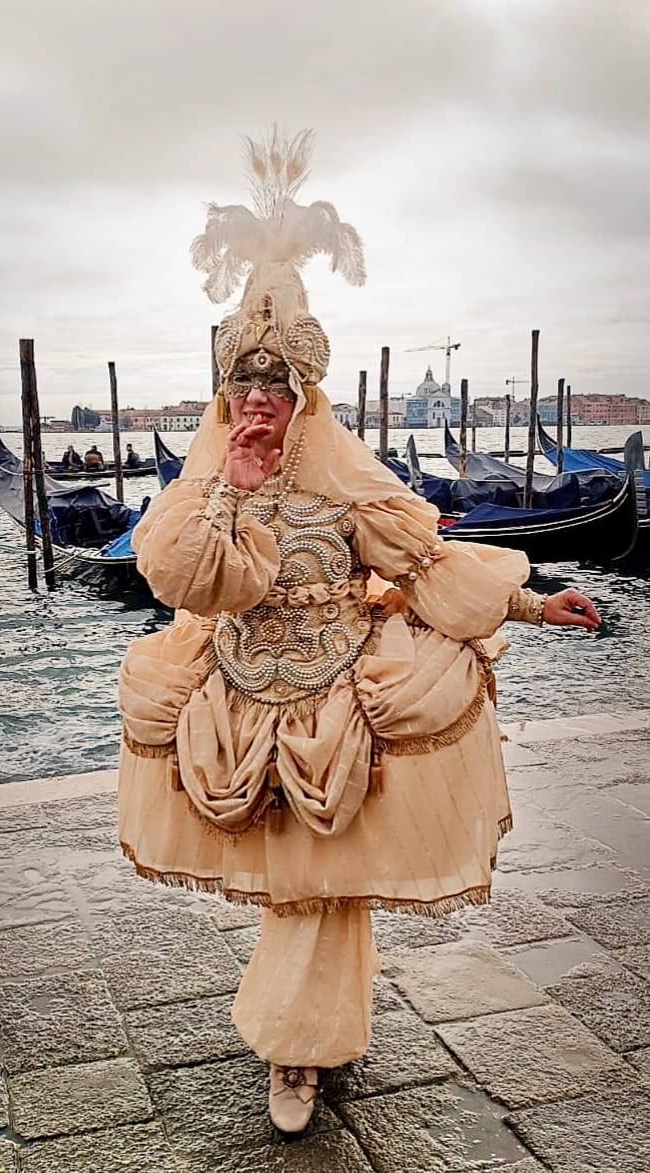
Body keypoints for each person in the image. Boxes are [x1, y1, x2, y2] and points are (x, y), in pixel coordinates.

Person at [116, 129, 600, 1135]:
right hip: (237, 700)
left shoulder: (347, 476)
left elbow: (424, 566)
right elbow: (188, 580)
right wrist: (233, 488)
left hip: (339, 698)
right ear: (225, 397)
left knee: (325, 891)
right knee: (300, 888)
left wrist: (529, 604)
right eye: (243, 387)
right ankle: (315, 1027)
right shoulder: (202, 483)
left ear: (303, 395)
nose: (258, 402)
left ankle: (297, 1046)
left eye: (275, 388)